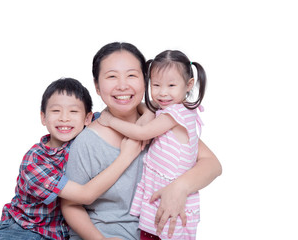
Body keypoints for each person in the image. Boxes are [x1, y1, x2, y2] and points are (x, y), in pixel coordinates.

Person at [61, 42, 222, 240]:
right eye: (112, 76)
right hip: (106, 233)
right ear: (97, 86)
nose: (122, 85)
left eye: (131, 75)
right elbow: (69, 204)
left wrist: (180, 187)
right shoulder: (87, 141)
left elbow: (212, 164)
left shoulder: (162, 122)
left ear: (145, 80)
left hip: (155, 232)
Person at [0, 78, 143, 240]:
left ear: (88, 118)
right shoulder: (35, 162)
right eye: (56, 111)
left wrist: (145, 117)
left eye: (73, 111)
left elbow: (130, 106)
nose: (64, 118)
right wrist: (126, 156)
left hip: (62, 234)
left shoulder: (90, 132)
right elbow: (85, 195)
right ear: (43, 117)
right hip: (24, 229)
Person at [98, 49, 207, 239]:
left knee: (164, 230)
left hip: (170, 194)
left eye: (171, 85)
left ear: (189, 85)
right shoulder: (173, 109)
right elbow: (150, 108)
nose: (162, 93)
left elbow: (141, 133)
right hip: (161, 189)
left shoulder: (175, 113)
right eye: (156, 85)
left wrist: (109, 120)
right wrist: (146, 111)